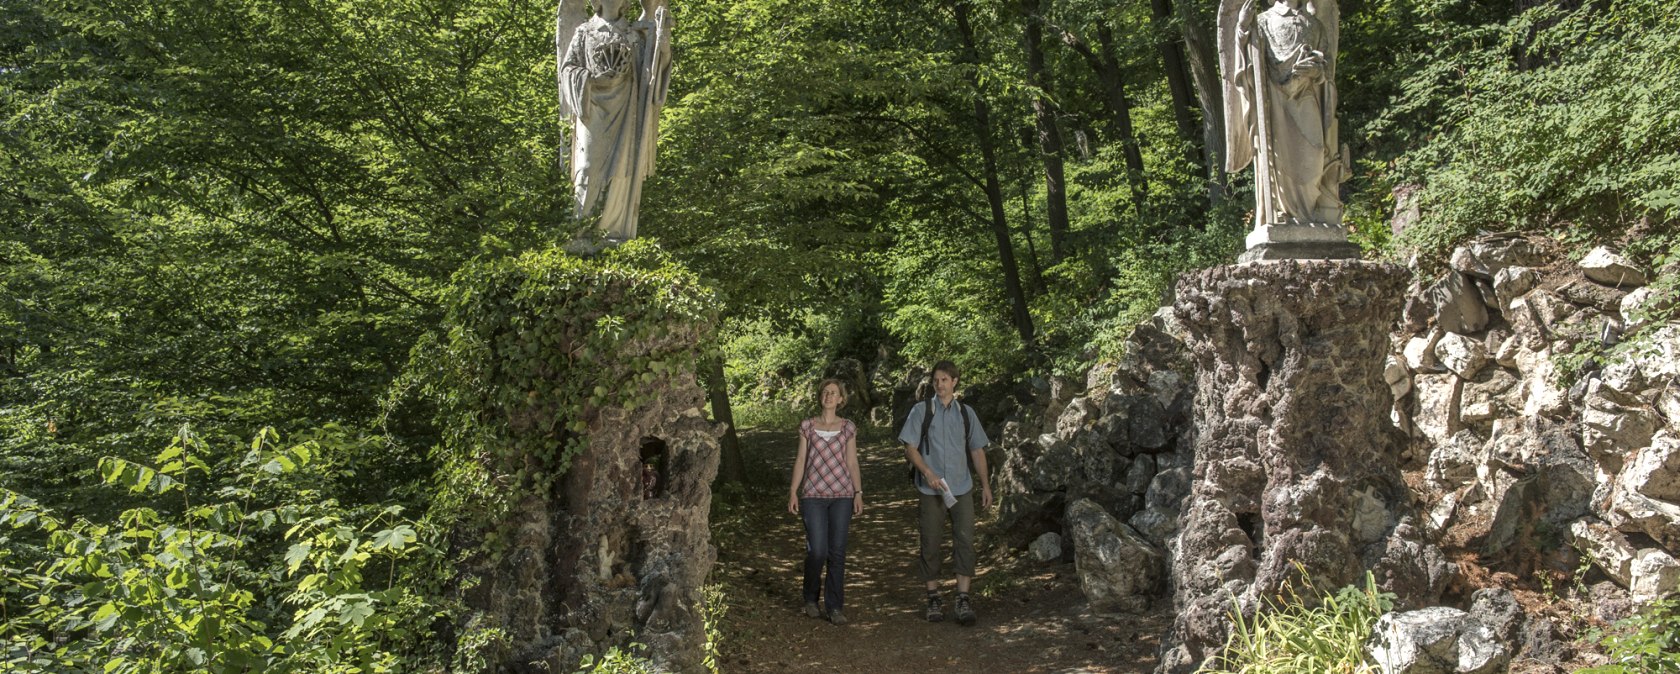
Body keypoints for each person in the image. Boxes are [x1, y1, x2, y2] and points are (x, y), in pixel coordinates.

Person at [556, 0, 673, 243]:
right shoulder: (584, 32)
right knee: (588, 166)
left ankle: (614, 232)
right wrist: (590, 79)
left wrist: (662, 45)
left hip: (625, 109)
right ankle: (581, 232)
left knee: (622, 168)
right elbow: (567, 69)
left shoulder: (635, 33)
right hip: (592, 108)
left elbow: (651, 75)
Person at [899, 361, 991, 625]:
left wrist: (985, 485)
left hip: (961, 487)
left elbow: (977, 450)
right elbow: (910, 448)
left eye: (944, 380)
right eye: (936, 380)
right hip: (930, 490)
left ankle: (963, 599)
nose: (939, 384)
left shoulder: (966, 413)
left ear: (955, 382)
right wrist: (927, 472)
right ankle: (933, 597)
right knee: (930, 542)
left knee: (965, 541)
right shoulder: (921, 411)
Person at [787, 379, 864, 625]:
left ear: (841, 399)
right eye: (825, 392)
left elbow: (852, 462)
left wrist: (858, 492)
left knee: (837, 552)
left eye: (834, 393)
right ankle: (810, 598)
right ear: (820, 397)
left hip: (842, 495)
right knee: (817, 550)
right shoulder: (807, 426)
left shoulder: (848, 428)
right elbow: (800, 459)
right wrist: (793, 491)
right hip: (812, 496)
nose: (829, 396)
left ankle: (834, 607)